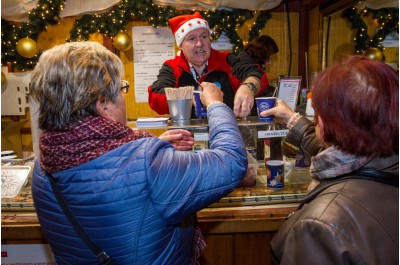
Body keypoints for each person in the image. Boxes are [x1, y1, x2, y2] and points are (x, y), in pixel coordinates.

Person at [29, 41, 248, 264]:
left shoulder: (44, 164)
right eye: (121, 89)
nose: (123, 97)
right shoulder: (146, 163)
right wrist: (215, 105)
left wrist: (152, 150)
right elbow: (231, 161)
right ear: (103, 104)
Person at [263, 56, 399, 264]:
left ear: (324, 123)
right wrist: (292, 119)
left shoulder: (319, 227)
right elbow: (346, 161)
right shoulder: (383, 164)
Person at [148, 11, 269, 118]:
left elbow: (256, 73)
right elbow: (156, 96)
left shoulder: (226, 60)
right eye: (191, 39)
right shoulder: (172, 67)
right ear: (181, 45)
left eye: (204, 36)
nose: (200, 43)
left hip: (226, 134)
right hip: (186, 138)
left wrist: (248, 87)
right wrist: (195, 99)